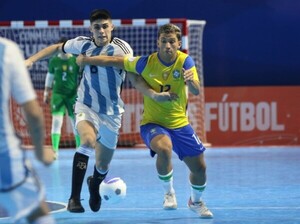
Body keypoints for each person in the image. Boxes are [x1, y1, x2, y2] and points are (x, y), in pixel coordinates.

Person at [25, 9, 177, 213]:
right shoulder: (83, 44)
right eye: (97, 27)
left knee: (102, 165)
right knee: (87, 141)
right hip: (86, 106)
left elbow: (134, 79)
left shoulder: (123, 49)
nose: (102, 31)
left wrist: (154, 95)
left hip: (112, 113)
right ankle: (74, 198)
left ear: (112, 26)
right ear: (91, 29)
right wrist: (31, 60)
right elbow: (55, 48)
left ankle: (94, 185)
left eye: (105, 26)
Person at [76, 23, 214, 218]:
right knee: (164, 148)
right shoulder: (146, 63)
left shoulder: (185, 62)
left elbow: (196, 90)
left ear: (178, 43)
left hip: (180, 124)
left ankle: (196, 201)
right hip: (152, 124)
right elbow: (115, 60)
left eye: (172, 42)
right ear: (158, 42)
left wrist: (190, 80)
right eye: (164, 41)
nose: (167, 45)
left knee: (200, 168)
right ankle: (169, 193)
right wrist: (88, 59)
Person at [0, 37, 56, 223]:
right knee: (37, 213)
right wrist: (40, 152)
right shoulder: (6, 50)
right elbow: (33, 112)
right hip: (5, 158)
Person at [44, 37, 81, 159]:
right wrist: (46, 93)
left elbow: (81, 78)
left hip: (72, 95)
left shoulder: (75, 61)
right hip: (58, 95)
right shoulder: (54, 61)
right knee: (56, 122)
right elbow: (49, 77)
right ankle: (55, 150)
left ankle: (80, 150)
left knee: (76, 123)